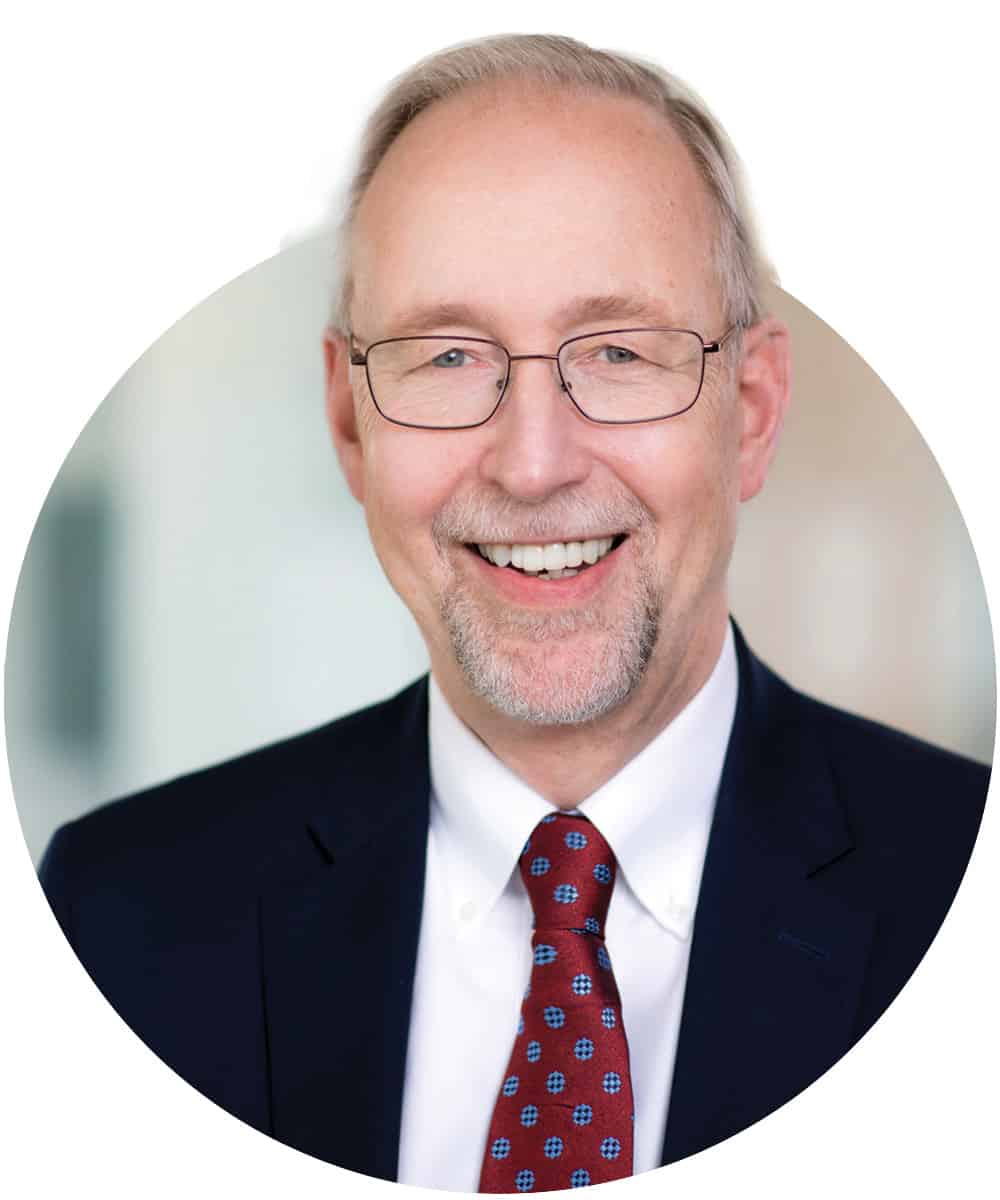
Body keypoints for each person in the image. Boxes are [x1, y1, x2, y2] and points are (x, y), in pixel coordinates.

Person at [39, 33, 988, 1193]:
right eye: (446, 357)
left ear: (748, 410)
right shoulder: (118, 918)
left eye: (619, 351)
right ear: (349, 421)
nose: (533, 465)